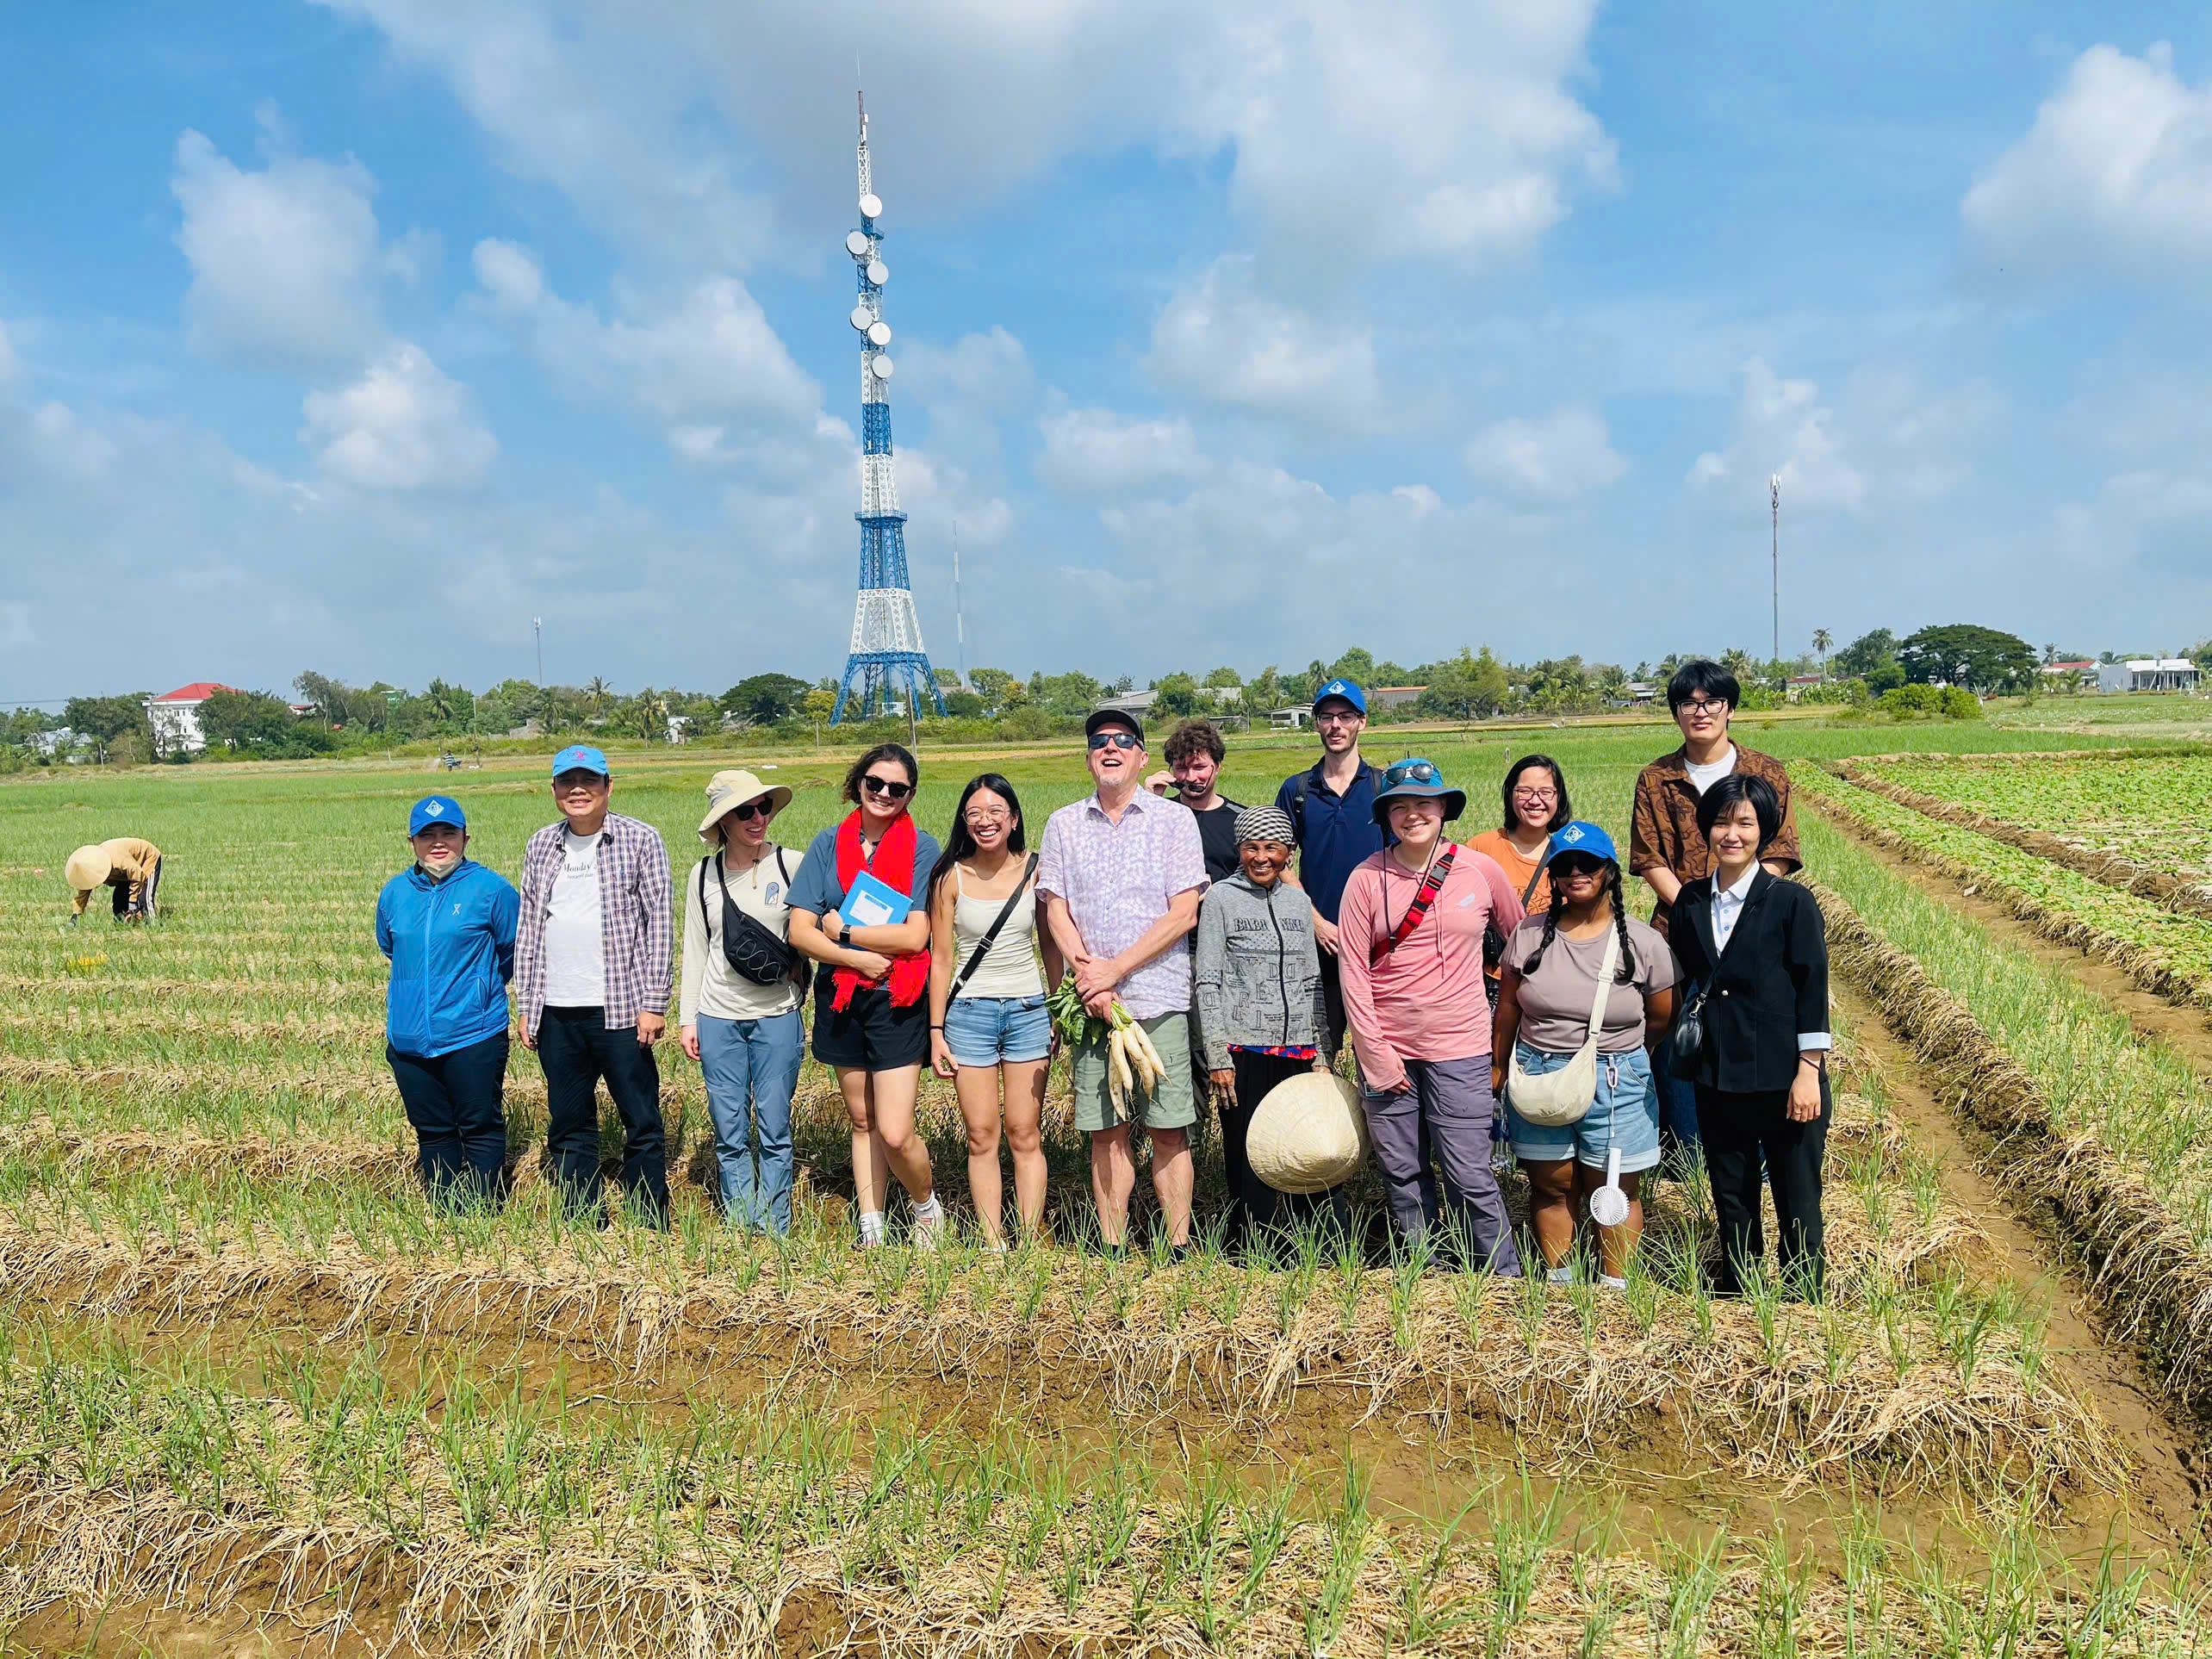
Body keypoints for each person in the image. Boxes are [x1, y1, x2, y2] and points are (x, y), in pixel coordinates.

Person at [1337, 758, 1525, 1271]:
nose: (1412, 815)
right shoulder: (1365, 879)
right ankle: (1427, 1276)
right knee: (1402, 1173)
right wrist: (1374, 1054)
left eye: (1424, 804)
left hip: (1461, 1046)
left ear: (1444, 808)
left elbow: (1522, 942)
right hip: (1387, 1048)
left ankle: (1501, 1277)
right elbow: (1353, 972)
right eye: (1399, 807)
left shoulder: (1480, 871)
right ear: (1386, 817)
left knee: (1470, 1171)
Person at [1038, 708, 1209, 1253]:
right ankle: (1113, 1245)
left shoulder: (1173, 821)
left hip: (1157, 998)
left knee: (1168, 1128)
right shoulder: (1063, 823)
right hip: (1090, 1005)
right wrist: (1092, 976)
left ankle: (1178, 1246)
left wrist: (1116, 968)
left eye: (1123, 741)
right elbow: (1055, 910)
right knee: (1105, 1132)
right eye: (1099, 742)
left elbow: (1184, 912)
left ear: (1141, 756)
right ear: (1088, 757)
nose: (1110, 748)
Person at [1665, 774, 1833, 1298]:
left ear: (1764, 831)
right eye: (1720, 822)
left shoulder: (1790, 902)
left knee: (1796, 1193)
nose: (1731, 834)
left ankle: (1802, 1299)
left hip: (1785, 1076)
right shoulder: (1690, 903)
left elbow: (1812, 989)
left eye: (1744, 823)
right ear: (1706, 830)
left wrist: (1810, 1073)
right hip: (1717, 1073)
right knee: (1732, 1192)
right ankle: (1737, 1292)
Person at [1627, 661, 1801, 1158]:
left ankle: (1757, 1149)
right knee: (1680, 1027)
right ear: (1675, 713)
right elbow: (1649, 857)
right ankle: (1686, 1149)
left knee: (1752, 1023)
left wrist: (1743, 910)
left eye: (1711, 702)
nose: (1700, 712)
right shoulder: (1657, 778)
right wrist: (1696, 911)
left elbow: (1780, 849)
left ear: (1729, 708)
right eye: (1688, 704)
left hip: (1757, 925)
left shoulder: (1765, 772)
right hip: (1679, 927)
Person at [1493, 823, 1676, 1287]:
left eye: (1588, 864)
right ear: (1552, 875)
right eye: (1563, 866)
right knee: (1552, 1184)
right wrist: (1498, 1064)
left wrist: (1629, 1056)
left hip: (1616, 1077)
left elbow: (1660, 1016)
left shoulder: (1642, 942)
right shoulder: (1529, 936)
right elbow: (1510, 1005)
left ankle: (1615, 1290)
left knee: (1612, 1186)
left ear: (1609, 872)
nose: (1576, 873)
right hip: (1539, 1075)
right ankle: (1562, 1283)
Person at [789, 743, 945, 1249]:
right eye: (874, 783)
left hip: (897, 999)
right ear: (858, 783)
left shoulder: (922, 848)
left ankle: (925, 1206)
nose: (883, 794)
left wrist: (847, 936)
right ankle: (871, 1223)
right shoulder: (827, 844)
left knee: (896, 1129)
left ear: (910, 795)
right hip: (840, 996)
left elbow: (915, 937)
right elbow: (800, 931)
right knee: (862, 1120)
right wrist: (854, 958)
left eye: (896, 788)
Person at [516, 745, 674, 1227]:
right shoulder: (541, 844)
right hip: (557, 1011)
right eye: (568, 782)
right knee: (568, 1121)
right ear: (555, 791)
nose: (577, 790)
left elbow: (659, 924)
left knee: (641, 1120)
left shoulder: (641, 839)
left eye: (589, 781)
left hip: (622, 1010)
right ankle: (582, 1219)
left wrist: (654, 1003)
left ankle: (649, 1218)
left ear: (608, 787)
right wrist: (527, 1003)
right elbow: (530, 926)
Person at [1193, 805, 1337, 1255]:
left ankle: (1307, 1244)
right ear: (1239, 850)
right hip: (1242, 1049)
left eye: (1272, 847)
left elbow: (1312, 978)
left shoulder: (1298, 901)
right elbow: (1208, 978)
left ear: (1287, 853)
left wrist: (1324, 1050)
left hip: (1297, 1049)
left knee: (1301, 1144)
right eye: (1251, 847)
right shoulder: (1220, 898)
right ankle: (1250, 1245)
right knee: (1248, 1149)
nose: (1261, 857)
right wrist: (1217, 1056)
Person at [928, 774, 1059, 1249]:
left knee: (1025, 1132)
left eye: (995, 813)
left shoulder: (1037, 870)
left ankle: (1028, 1237)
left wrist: (1058, 1009)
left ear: (1014, 818)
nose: (985, 822)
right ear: (964, 821)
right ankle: (991, 1239)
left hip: (1027, 1010)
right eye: (974, 814)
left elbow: (1050, 945)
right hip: (969, 1016)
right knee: (981, 1134)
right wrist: (936, 1029)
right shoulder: (950, 877)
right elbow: (941, 958)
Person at [376, 796, 519, 1212]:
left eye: (448, 834)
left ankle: (483, 1214)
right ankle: (448, 1212)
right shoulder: (395, 893)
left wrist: (475, 989)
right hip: (409, 1040)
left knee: (479, 1126)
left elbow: (510, 952)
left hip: (473, 1032)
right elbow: (391, 947)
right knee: (432, 1129)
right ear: (412, 842)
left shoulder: (491, 889)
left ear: (465, 838)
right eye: (428, 835)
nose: (439, 843)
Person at [680, 769, 805, 1236]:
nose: (757, 819)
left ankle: (774, 1226)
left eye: (763, 808)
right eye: (744, 812)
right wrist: (687, 1018)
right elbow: (695, 948)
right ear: (723, 823)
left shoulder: (793, 864)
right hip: (718, 1017)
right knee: (729, 1129)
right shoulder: (703, 875)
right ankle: (740, 1222)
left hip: (777, 1016)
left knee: (775, 1127)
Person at [1272, 679, 1388, 1053]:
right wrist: (1316, 922)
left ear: (1362, 722)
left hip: (1378, 945)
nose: (1335, 725)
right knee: (1317, 1051)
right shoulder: (1298, 791)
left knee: (1378, 1051)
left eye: (1345, 716)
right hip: (1318, 944)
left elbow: (1405, 863)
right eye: (1327, 717)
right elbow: (1277, 860)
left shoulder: (1383, 788)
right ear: (1317, 723)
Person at [1146, 717, 1246, 884]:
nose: (1191, 777)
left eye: (1199, 767)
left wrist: (1214, 883)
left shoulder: (1242, 819)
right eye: (1182, 768)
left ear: (1218, 766)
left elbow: (1258, 876)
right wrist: (1148, 803)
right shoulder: (1160, 814)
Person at [66, 838, 163, 924]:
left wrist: (133, 902)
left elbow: (138, 874)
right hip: (126, 873)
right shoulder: (91, 867)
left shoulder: (118, 860)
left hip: (146, 861)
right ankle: (128, 924)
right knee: (119, 903)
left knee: (144, 899)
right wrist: (75, 916)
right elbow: (84, 892)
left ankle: (153, 925)